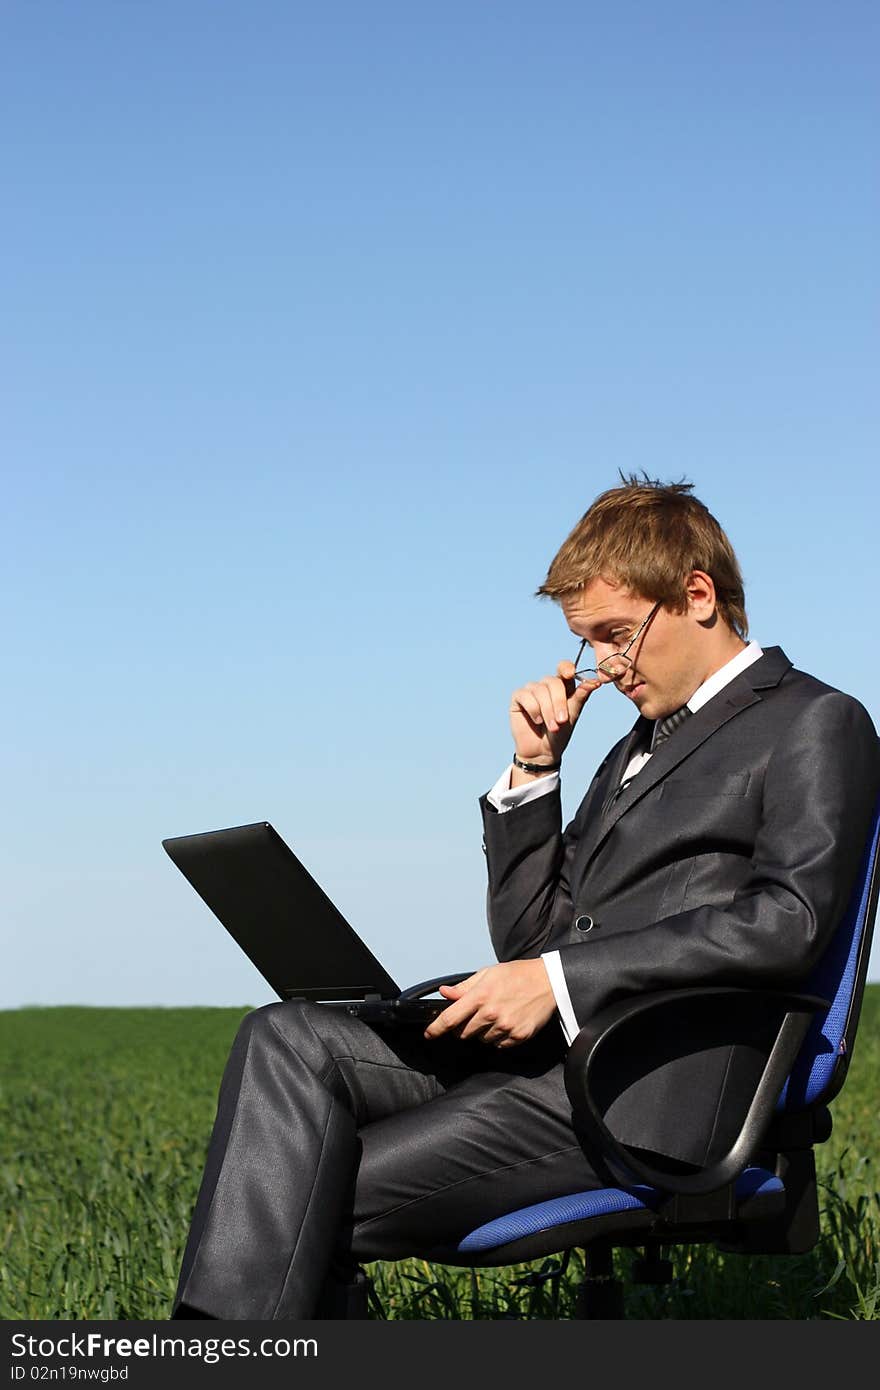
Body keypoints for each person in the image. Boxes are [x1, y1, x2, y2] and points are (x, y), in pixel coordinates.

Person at [171, 476, 879, 1320]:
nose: (607, 669)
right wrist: (536, 774)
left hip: (641, 1090)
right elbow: (533, 935)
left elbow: (788, 922)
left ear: (697, 595)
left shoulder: (814, 720)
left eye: (617, 636)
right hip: (544, 1068)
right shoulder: (629, 753)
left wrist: (560, 982)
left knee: (290, 1189)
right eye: (590, 645)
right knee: (287, 1036)